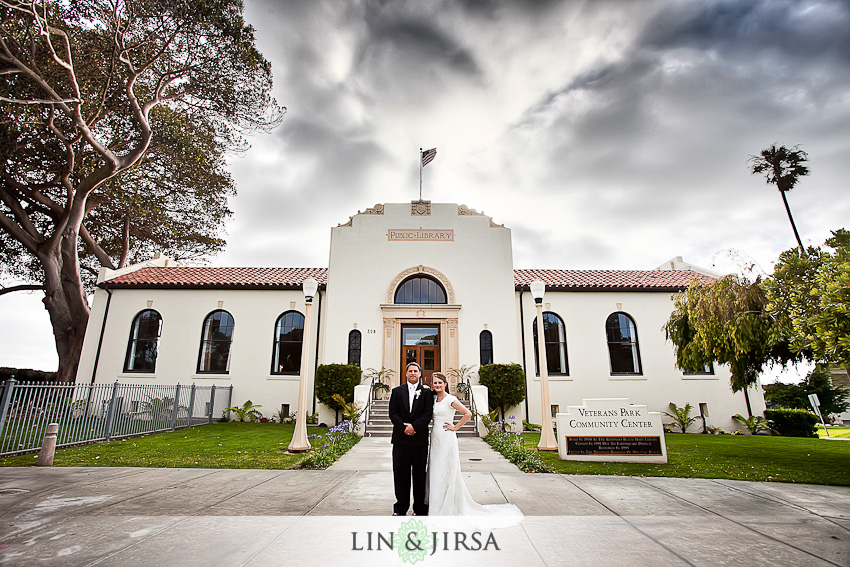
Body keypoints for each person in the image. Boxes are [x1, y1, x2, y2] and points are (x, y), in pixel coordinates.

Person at [427, 372, 523, 518]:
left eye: (440, 383)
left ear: (445, 384)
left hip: (447, 438)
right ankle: (436, 504)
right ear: (432, 385)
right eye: (435, 383)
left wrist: (455, 427)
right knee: (436, 470)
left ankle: (448, 506)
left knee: (446, 470)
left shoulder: (450, 400)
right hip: (435, 438)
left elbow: (467, 413)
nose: (437, 385)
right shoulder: (435, 400)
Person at [388, 361, 434, 516]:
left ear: (420, 374)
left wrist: (415, 427)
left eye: (416, 371)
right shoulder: (396, 392)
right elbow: (392, 413)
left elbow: (428, 414)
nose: (413, 373)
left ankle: (420, 508)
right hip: (401, 440)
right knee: (401, 475)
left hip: (419, 441)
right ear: (406, 374)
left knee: (420, 475)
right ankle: (400, 508)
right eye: (410, 371)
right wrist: (404, 427)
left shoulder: (427, 393)